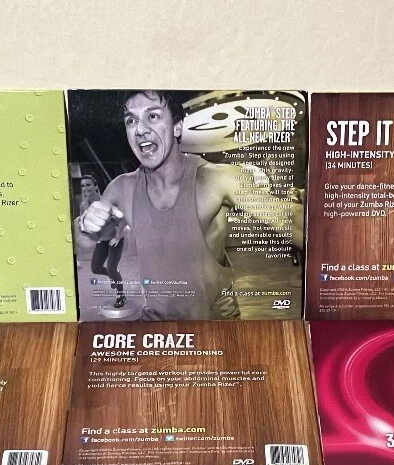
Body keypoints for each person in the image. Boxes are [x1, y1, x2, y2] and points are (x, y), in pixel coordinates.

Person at [75, 90, 304, 320]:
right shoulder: (121, 187)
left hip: (213, 324)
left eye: (152, 116)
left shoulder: (217, 178)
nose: (140, 129)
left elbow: (293, 221)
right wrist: (87, 224)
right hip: (157, 324)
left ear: (177, 127)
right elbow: (89, 243)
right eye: (131, 121)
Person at [80, 174, 127, 309]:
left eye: (88, 184)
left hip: (114, 240)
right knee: (95, 268)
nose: (85, 188)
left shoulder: (106, 201)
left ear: (95, 186)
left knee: (112, 268)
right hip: (102, 241)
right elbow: (85, 225)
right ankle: (113, 275)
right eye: (83, 186)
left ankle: (121, 296)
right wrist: (94, 236)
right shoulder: (83, 205)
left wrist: (118, 236)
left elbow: (124, 218)